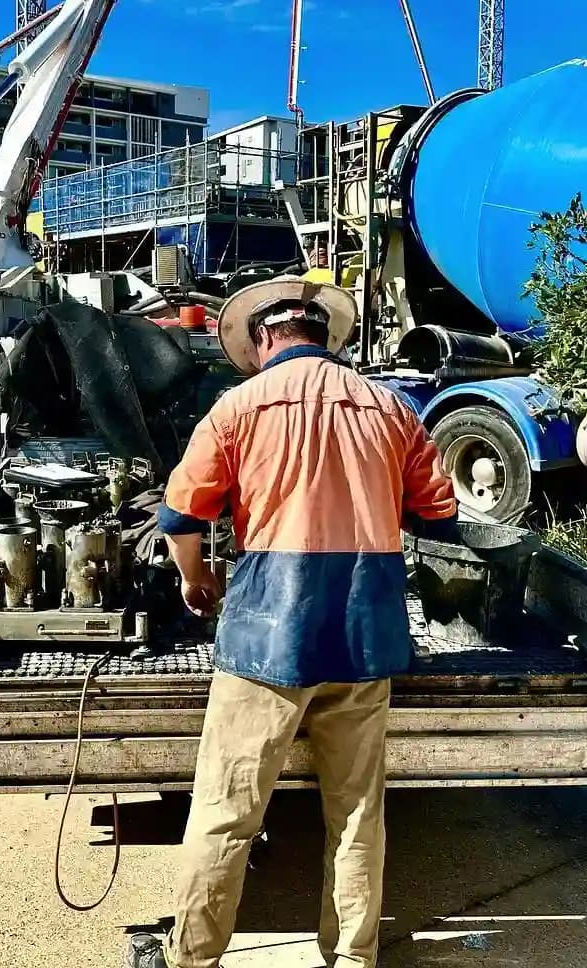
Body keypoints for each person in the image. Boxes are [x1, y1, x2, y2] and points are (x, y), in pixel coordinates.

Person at [126, 278, 458, 968]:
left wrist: (196, 579)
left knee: (226, 813)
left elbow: (181, 519)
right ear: (322, 336)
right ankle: (352, 957)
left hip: (266, 641)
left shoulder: (237, 408)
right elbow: (439, 511)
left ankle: (192, 958)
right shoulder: (391, 408)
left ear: (263, 339)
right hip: (364, 636)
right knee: (357, 815)